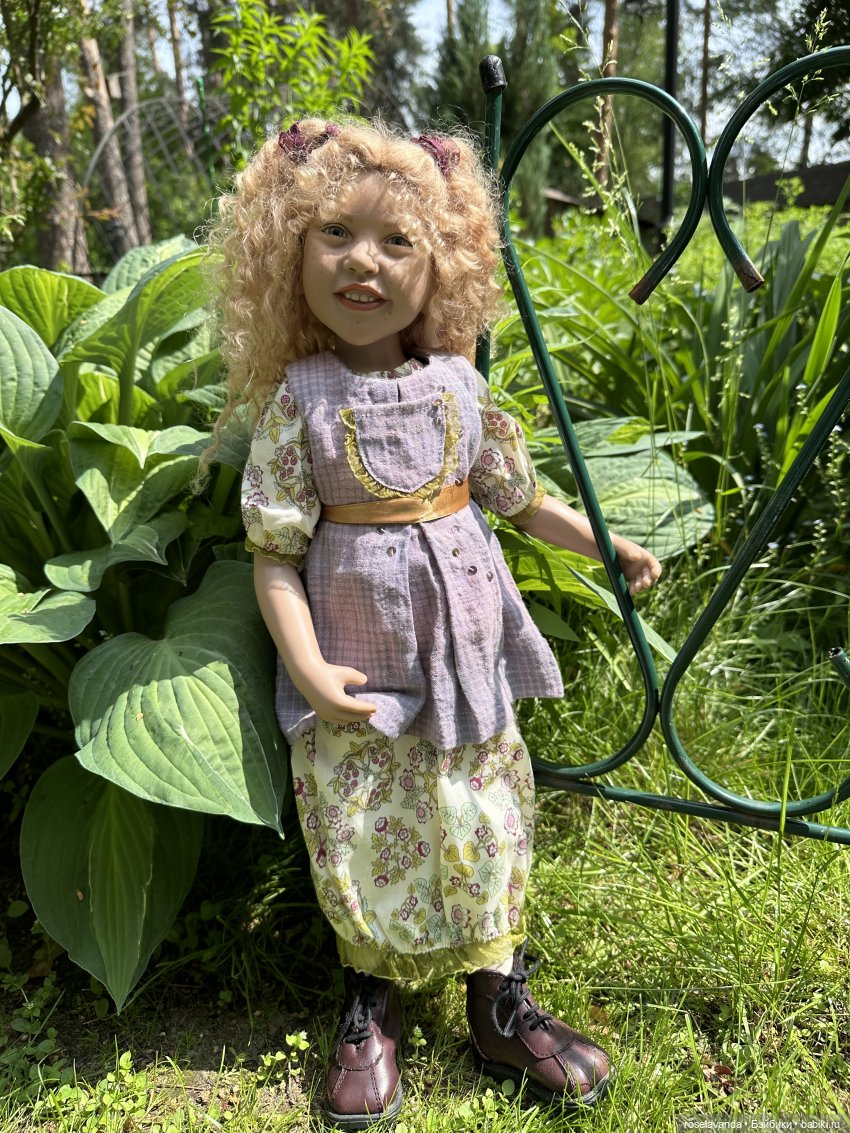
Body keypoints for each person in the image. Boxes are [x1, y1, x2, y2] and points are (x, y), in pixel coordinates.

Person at [209, 117, 661, 1128]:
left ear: (441, 266)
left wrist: (607, 544)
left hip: (466, 660)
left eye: (396, 240)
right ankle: (370, 994)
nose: (361, 261)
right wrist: (307, 666)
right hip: (357, 670)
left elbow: (518, 500)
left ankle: (496, 995)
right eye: (334, 233)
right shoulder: (300, 402)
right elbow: (275, 551)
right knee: (363, 818)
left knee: (483, 811)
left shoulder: (461, 385)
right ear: (289, 253)